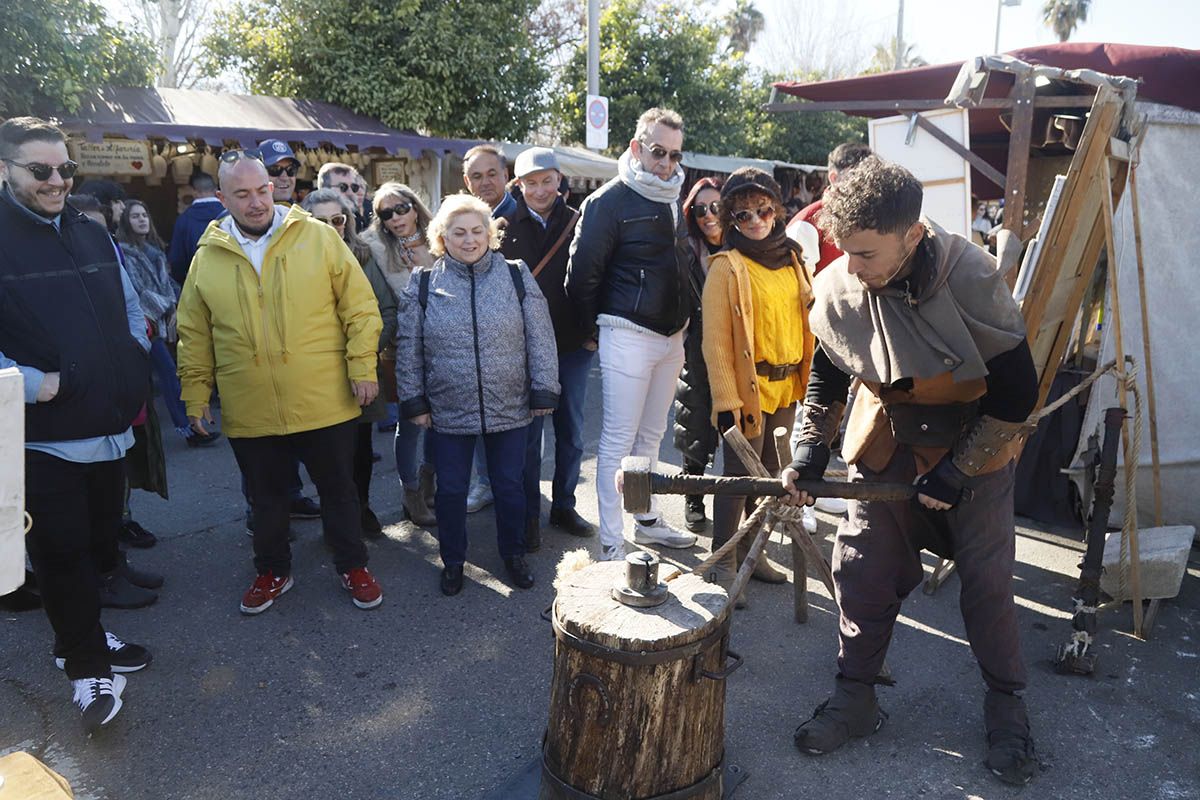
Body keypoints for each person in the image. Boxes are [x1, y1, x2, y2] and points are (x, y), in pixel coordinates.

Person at [780, 157, 1038, 785]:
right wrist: (810, 449)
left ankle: (1007, 707)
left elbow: (1015, 395)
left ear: (913, 235)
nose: (853, 267)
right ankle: (855, 696)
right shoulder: (844, 282)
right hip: (888, 432)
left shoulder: (971, 277)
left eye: (868, 253)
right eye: (847, 250)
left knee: (986, 582)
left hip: (976, 437)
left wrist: (957, 471)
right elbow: (829, 372)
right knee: (862, 567)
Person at [176, 149, 385, 614]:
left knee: (338, 492)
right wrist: (195, 395)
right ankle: (272, 571)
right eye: (242, 194)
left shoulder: (316, 237)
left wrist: (361, 368)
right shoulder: (207, 257)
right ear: (221, 197)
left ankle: (353, 565)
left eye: (263, 190)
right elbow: (193, 332)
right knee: (267, 501)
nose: (256, 202)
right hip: (251, 404)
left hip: (323, 396)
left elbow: (360, 307)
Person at [0, 117, 153, 732]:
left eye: (66, 169)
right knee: (60, 554)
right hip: (43, 436)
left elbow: (129, 301)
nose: (57, 180)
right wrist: (39, 385)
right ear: (6, 170)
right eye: (41, 171)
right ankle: (87, 666)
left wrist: (135, 349)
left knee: (94, 549)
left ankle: (82, 632)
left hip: (110, 427)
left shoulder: (90, 230)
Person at [395, 194, 558, 596]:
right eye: (458, 232)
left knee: (510, 485)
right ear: (441, 237)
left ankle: (513, 554)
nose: (469, 240)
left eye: (476, 231)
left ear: (490, 234)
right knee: (450, 490)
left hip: (510, 404)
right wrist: (413, 400)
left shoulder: (516, 276)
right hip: (448, 408)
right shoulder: (424, 282)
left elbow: (540, 338)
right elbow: (408, 346)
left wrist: (544, 389)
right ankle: (452, 561)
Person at [565, 107, 698, 561]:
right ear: (637, 147)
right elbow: (580, 277)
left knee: (651, 435)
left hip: (670, 337)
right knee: (618, 441)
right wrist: (592, 332)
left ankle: (645, 520)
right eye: (658, 152)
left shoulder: (670, 196)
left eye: (675, 155)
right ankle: (609, 542)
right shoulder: (607, 201)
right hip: (626, 331)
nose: (666, 163)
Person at [701, 168, 814, 601]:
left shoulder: (793, 258)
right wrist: (726, 398)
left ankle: (753, 548)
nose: (755, 221)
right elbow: (715, 343)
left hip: (785, 385)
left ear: (776, 210)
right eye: (743, 214)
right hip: (746, 391)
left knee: (769, 476)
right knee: (736, 479)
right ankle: (723, 560)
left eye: (763, 210)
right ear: (732, 219)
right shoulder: (726, 267)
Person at [502, 148, 593, 548]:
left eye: (547, 180)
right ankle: (527, 515)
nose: (539, 190)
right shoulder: (500, 227)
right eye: (531, 182)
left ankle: (564, 505)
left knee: (571, 432)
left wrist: (594, 333)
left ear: (559, 181)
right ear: (519, 185)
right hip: (523, 350)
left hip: (573, 344)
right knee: (527, 438)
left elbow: (598, 276)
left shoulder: (581, 222)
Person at [301, 188, 394, 538]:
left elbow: (386, 311)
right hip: (317, 374)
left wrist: (365, 348)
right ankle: (336, 520)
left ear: (347, 222)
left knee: (360, 449)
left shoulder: (363, 255)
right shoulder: (294, 259)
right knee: (327, 456)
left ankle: (362, 507)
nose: (330, 227)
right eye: (321, 221)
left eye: (337, 220)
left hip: (362, 371)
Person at [362, 182, 438, 527]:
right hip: (405, 345)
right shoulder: (372, 245)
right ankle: (410, 493)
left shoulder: (440, 234)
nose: (396, 218)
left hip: (446, 342)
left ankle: (429, 484)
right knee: (410, 423)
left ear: (414, 205)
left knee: (443, 421)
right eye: (386, 213)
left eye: (401, 208)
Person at [118, 200, 220, 449]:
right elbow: (136, 291)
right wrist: (170, 306)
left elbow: (170, 285)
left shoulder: (154, 251)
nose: (142, 220)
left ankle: (153, 434)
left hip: (160, 320)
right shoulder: (126, 252)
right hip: (142, 323)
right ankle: (189, 429)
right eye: (135, 216)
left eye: (144, 215)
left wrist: (183, 304)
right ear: (125, 222)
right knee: (167, 372)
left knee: (162, 374)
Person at [459, 144, 516, 512]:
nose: (485, 182)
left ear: (505, 175)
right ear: (466, 182)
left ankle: (516, 490)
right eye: (476, 176)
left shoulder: (522, 214)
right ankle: (485, 482)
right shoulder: (459, 218)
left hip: (517, 336)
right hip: (476, 339)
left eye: (491, 173)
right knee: (481, 417)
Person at [673, 177, 723, 533]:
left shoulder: (743, 246)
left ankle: (738, 506)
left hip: (738, 351)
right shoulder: (687, 250)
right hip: (697, 349)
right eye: (700, 209)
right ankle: (693, 496)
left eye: (716, 207)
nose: (708, 215)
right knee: (696, 422)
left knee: (739, 431)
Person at [786, 142, 873, 275]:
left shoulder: (872, 217)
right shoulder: (806, 223)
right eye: (857, 177)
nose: (865, 184)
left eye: (869, 177)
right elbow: (799, 288)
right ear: (834, 178)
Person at [167, 172, 225, 283]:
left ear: (194, 191)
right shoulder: (231, 215)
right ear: (215, 189)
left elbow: (177, 260)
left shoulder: (184, 220)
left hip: (198, 283)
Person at [260, 139, 301, 205]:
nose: (284, 178)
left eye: (290, 169)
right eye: (275, 170)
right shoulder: (243, 214)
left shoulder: (303, 213)